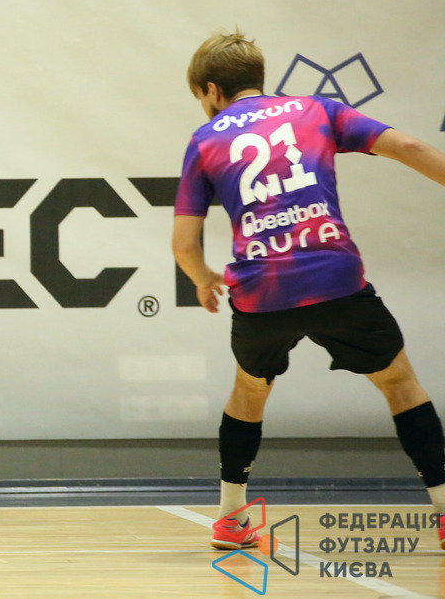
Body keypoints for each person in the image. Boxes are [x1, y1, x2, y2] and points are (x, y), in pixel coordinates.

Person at [172, 30, 445, 550]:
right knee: (399, 383)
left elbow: (184, 245)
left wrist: (204, 279)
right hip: (334, 279)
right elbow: (409, 146)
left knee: (249, 390)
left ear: (211, 90)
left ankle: (231, 518)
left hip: (261, 292)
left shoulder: (205, 140)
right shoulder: (317, 110)